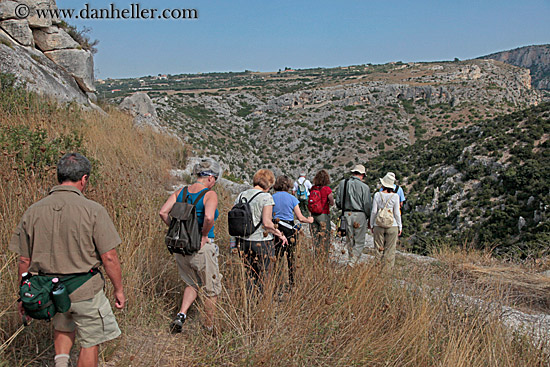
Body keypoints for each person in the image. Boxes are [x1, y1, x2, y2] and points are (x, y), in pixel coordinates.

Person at [9, 153, 125, 367]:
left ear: (59, 176)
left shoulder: (33, 211)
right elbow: (109, 257)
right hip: (85, 290)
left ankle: (61, 363)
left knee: (62, 327)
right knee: (90, 341)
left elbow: (24, 260)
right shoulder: (94, 210)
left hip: (51, 290)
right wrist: (119, 289)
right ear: (84, 179)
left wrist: (23, 295)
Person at [159, 158, 221, 333]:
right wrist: (202, 235)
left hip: (181, 247)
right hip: (201, 248)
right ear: (210, 178)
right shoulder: (210, 194)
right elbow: (209, 217)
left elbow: (163, 212)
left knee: (191, 283)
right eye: (215, 180)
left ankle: (181, 315)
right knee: (211, 289)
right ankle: (208, 328)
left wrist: (175, 230)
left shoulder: (180, 192)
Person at [233, 169, 288, 294]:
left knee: (249, 274)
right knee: (265, 275)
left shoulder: (241, 195)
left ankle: (250, 303)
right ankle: (264, 304)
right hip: (261, 242)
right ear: (269, 183)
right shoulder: (265, 197)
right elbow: (267, 223)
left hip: (243, 241)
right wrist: (280, 235)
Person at [272, 176, 313, 288]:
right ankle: (292, 283)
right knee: (292, 258)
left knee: (277, 258)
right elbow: (300, 217)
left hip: (276, 229)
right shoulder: (292, 198)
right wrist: (309, 220)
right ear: (289, 185)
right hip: (290, 230)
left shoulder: (271, 197)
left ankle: (278, 284)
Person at [334, 164, 372, 262]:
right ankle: (352, 263)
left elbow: (338, 201)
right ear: (362, 175)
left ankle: (352, 261)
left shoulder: (343, 183)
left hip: (346, 214)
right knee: (359, 242)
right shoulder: (365, 187)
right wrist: (368, 217)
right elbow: (367, 206)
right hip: (360, 215)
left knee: (350, 241)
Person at [370, 172, 402, 270]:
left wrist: (371, 224)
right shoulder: (395, 196)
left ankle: (377, 269)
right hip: (392, 225)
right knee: (390, 250)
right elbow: (396, 213)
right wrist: (400, 226)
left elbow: (374, 211)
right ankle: (386, 272)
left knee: (378, 248)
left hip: (378, 224)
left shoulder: (377, 195)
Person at [309, 170, 335, 257]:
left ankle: (316, 257)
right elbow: (332, 202)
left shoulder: (313, 188)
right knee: (325, 238)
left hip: (313, 215)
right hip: (323, 215)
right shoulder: (327, 189)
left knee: (315, 238)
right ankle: (324, 259)